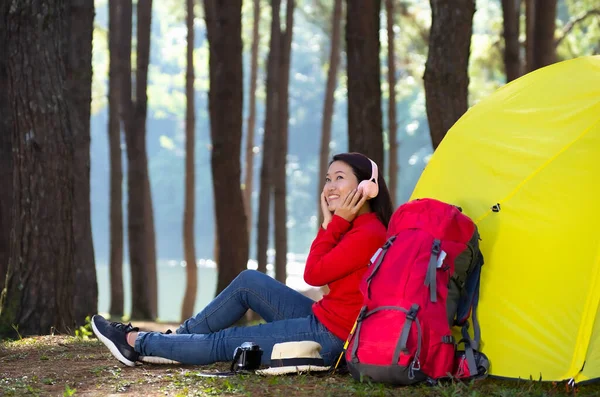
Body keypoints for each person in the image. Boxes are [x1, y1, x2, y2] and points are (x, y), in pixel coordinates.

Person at [92, 152, 394, 367]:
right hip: (323, 318)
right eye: (328, 178)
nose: (329, 187)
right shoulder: (356, 227)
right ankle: (179, 340)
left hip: (333, 338)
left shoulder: (368, 233)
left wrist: (333, 223)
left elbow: (314, 274)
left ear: (367, 187)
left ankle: (135, 343)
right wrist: (335, 224)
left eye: (339, 178)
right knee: (249, 282)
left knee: (229, 341)